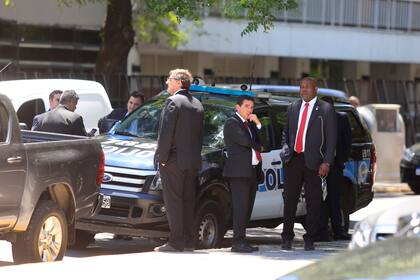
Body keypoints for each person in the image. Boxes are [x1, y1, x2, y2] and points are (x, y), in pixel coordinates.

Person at [281, 77, 337, 251]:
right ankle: (287, 237)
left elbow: (331, 139)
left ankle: (310, 238)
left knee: (314, 202)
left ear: (316, 89)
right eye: (302, 87)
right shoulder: (293, 107)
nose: (304, 90)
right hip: (294, 160)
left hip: (315, 162)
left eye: (308, 87)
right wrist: (285, 149)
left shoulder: (325, 109)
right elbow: (286, 133)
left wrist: (326, 161)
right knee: (289, 200)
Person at [154, 69, 204, 252]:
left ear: (179, 82)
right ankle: (189, 241)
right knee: (187, 202)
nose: (167, 82)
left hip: (174, 161)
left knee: (173, 201)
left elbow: (166, 133)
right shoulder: (198, 104)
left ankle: (176, 242)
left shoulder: (173, 101)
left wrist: (163, 158)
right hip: (191, 162)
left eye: (169, 79)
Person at [223, 95, 263, 253]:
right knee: (240, 208)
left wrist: (259, 124)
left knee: (247, 208)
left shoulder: (250, 124)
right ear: (237, 107)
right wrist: (258, 145)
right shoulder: (232, 122)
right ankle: (237, 242)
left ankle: (242, 240)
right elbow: (246, 142)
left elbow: (263, 143)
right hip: (239, 172)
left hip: (251, 171)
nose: (250, 110)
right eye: (246, 106)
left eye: (252, 107)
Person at [317, 96, 352, 241]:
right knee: (320, 200)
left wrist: (341, 160)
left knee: (334, 199)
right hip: (318, 166)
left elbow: (347, 141)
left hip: (335, 165)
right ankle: (322, 231)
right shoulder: (317, 119)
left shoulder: (342, 118)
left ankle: (339, 231)